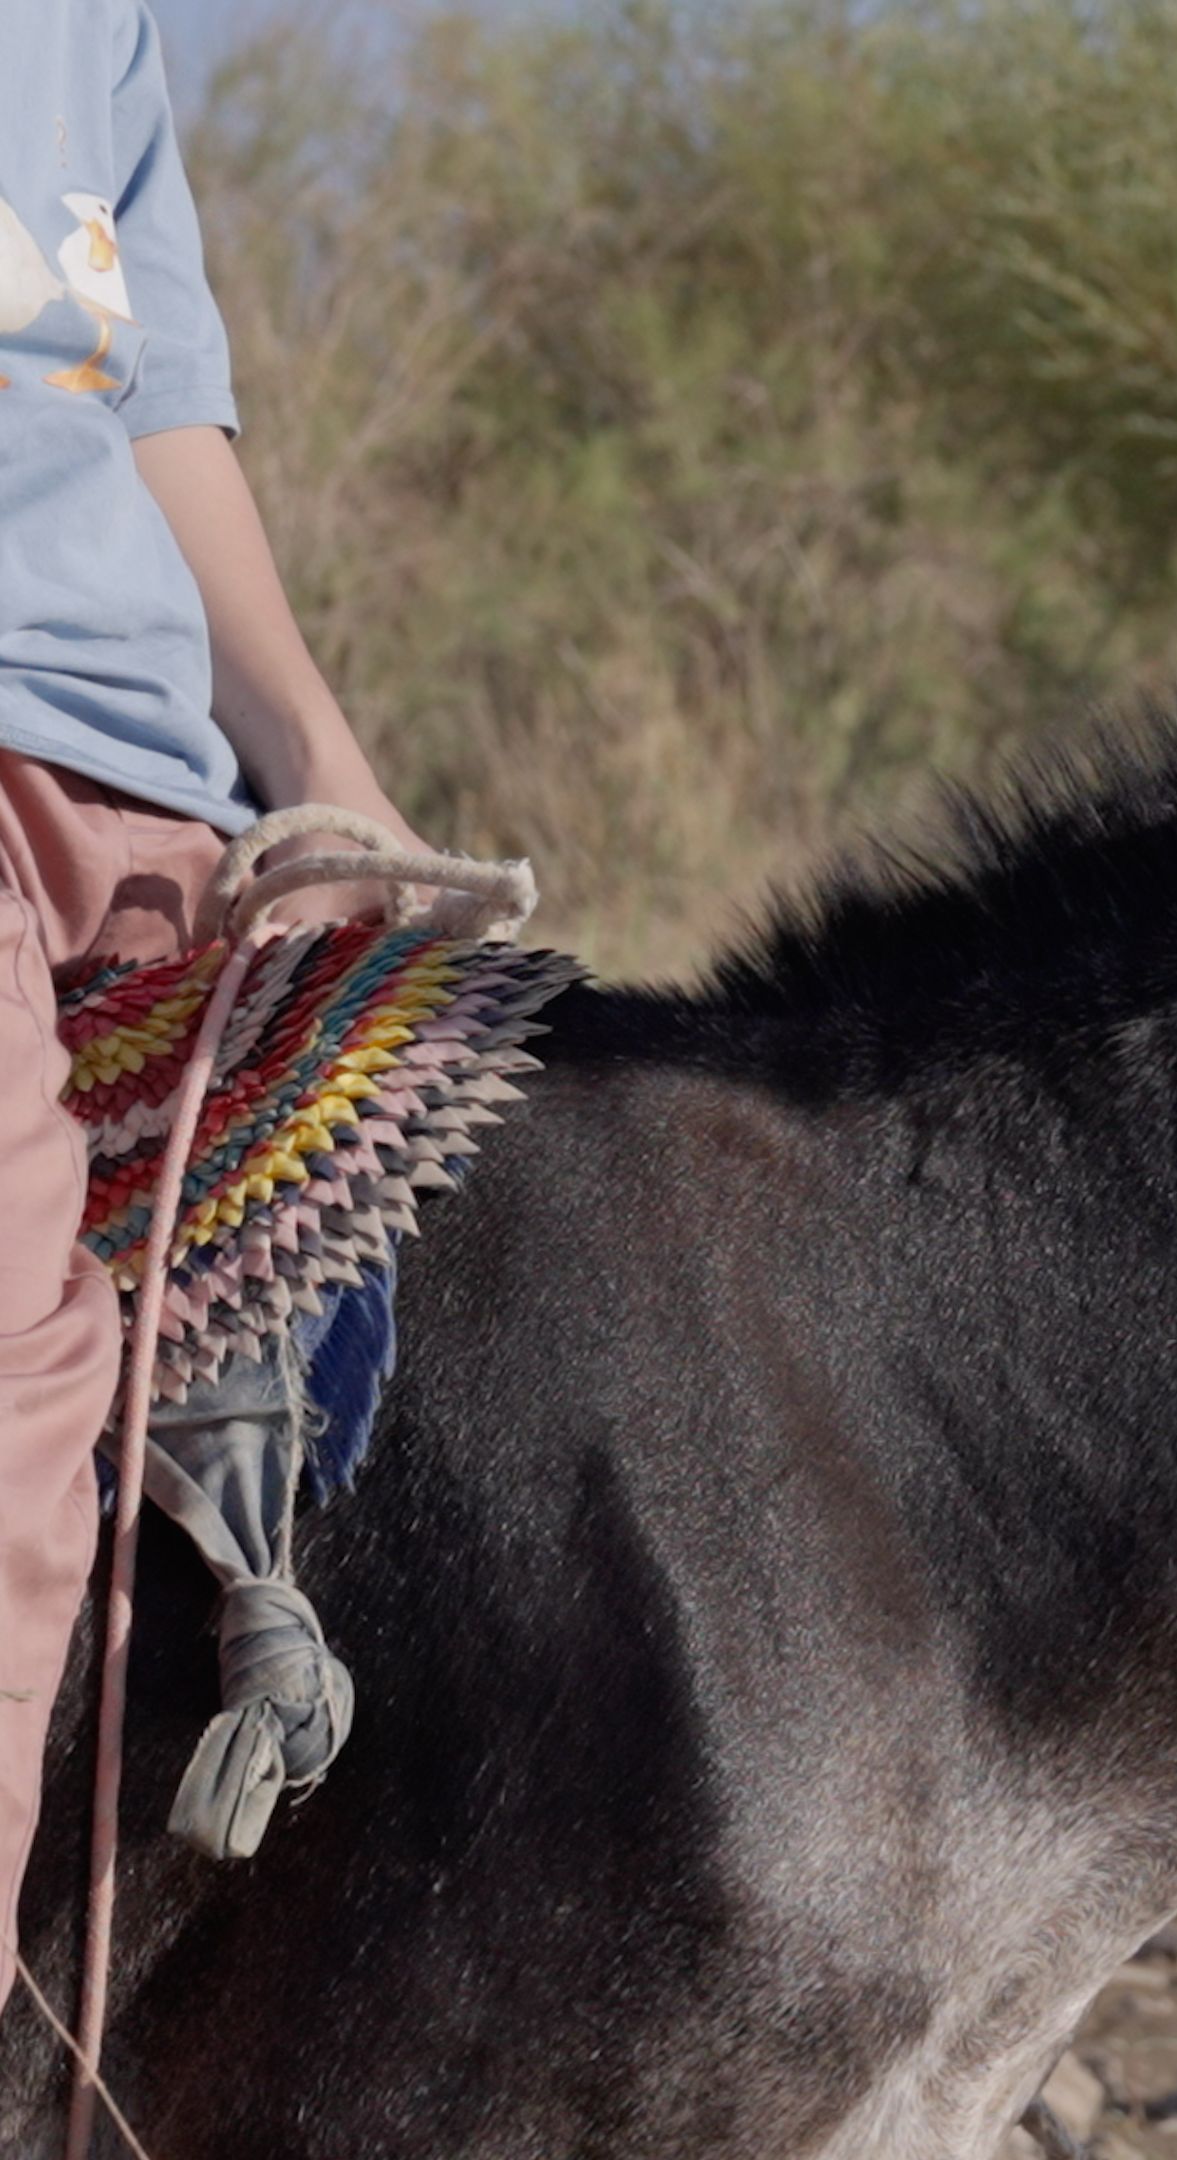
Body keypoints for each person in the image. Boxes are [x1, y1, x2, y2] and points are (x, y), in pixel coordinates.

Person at [5, 0, 420, 1966]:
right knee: (21, 1370)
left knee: (457, 1202)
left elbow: (147, 384)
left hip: (146, 767)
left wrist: (317, 770)